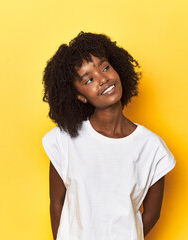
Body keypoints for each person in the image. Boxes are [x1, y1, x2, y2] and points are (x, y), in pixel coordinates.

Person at [41, 31, 176, 240]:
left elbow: (151, 214)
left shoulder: (152, 148)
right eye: (89, 80)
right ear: (79, 96)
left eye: (105, 68)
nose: (103, 79)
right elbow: (56, 203)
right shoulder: (65, 140)